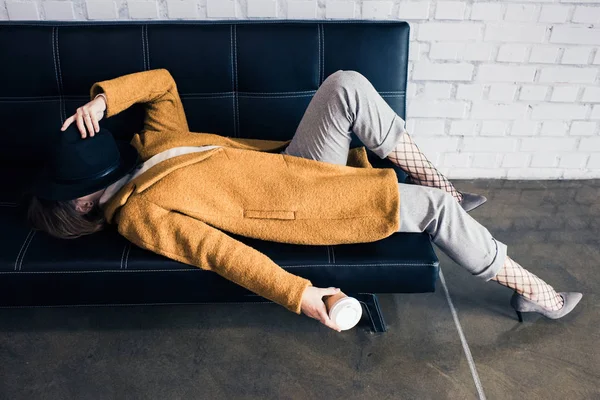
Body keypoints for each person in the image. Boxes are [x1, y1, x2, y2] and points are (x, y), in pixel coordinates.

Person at [27, 69, 581, 332]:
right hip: (304, 207)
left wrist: (104, 100)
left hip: (294, 164)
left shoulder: (148, 145)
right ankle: (535, 294)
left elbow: (166, 84)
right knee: (434, 217)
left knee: (346, 85)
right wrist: (302, 295)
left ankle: (448, 189)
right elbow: (219, 254)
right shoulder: (138, 216)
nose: (92, 146)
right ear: (79, 208)